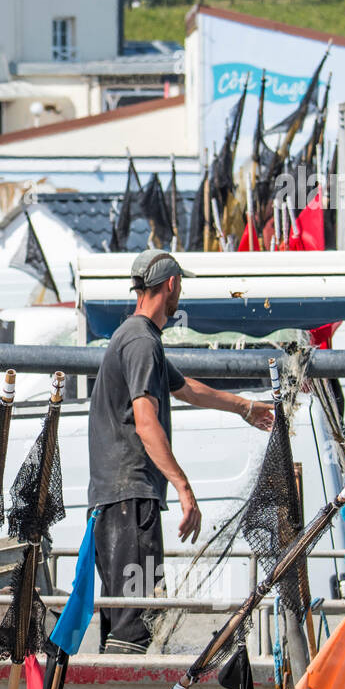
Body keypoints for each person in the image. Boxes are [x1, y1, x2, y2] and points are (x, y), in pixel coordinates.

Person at [88, 249, 273, 653]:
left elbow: (186, 388)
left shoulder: (136, 338)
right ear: (171, 284)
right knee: (135, 622)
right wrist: (184, 488)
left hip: (118, 503)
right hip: (130, 501)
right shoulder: (140, 341)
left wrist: (245, 406)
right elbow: (145, 419)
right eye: (180, 286)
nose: (180, 295)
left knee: (127, 614)